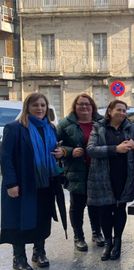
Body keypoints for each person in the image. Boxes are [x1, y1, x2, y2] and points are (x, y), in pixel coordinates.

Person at [1, 93, 63, 270]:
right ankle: (19, 258)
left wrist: (60, 153)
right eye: (35, 105)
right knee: (19, 220)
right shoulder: (14, 128)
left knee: (41, 219)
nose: (40, 109)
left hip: (45, 183)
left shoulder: (50, 128)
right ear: (27, 107)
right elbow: (6, 158)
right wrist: (11, 184)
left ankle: (39, 252)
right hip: (23, 183)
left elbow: (53, 151)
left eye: (43, 105)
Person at [86, 100, 134, 261]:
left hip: (124, 175)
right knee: (104, 210)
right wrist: (115, 149)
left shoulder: (132, 128)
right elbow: (90, 150)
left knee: (120, 208)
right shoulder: (99, 127)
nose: (122, 113)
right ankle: (108, 243)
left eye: (125, 110)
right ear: (109, 111)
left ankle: (118, 242)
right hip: (103, 176)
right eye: (119, 110)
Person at [56, 93, 105, 252]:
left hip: (97, 171)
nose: (84, 107)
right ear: (75, 107)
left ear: (92, 107)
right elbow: (54, 146)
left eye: (87, 104)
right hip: (77, 171)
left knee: (96, 204)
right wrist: (68, 151)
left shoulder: (102, 122)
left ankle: (97, 233)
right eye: (80, 104)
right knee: (77, 206)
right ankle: (79, 237)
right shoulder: (65, 124)